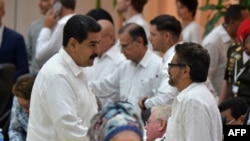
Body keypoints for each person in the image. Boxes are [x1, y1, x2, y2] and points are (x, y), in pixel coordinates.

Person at [26, 14, 101, 141]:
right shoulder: (57, 75)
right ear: (73, 45)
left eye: (98, 44)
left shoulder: (78, 66)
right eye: (92, 44)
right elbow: (70, 131)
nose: (98, 51)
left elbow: (90, 117)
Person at [89, 23, 163, 112]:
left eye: (125, 46)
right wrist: (81, 86)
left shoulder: (158, 66)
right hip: (125, 122)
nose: (121, 51)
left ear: (139, 42)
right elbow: (104, 86)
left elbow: (162, 102)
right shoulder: (125, 67)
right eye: (121, 46)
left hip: (145, 123)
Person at [165, 42, 222, 141]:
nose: (168, 69)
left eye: (172, 65)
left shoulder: (193, 102)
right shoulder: (192, 96)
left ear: (185, 71)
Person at [202, 4, 249, 99]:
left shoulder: (239, 39)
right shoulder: (213, 42)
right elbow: (205, 77)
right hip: (216, 100)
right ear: (232, 23)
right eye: (244, 21)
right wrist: (216, 101)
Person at [138, 14, 180, 111]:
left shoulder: (174, 61)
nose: (149, 38)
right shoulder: (178, 53)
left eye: (153, 34)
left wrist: (145, 103)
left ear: (166, 37)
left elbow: (166, 98)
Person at [85, 8, 126, 107]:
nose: (95, 45)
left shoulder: (121, 60)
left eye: (98, 41)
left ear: (111, 38)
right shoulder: (94, 58)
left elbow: (111, 90)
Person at [35, 0, 75, 70]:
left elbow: (40, 56)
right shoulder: (75, 21)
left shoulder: (63, 24)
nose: (39, 4)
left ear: (58, 5)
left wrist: (46, 28)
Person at [219, 17, 250, 105]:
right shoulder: (233, 50)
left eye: (246, 45)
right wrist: (219, 107)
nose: (243, 48)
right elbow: (226, 80)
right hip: (230, 106)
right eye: (241, 44)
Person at [0, 0, 29, 82]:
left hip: (7, 91)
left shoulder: (16, 39)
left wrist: (4, 77)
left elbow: (23, 69)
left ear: (3, 12)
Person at [26, 0, 53, 74]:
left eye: (44, 1)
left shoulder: (62, 28)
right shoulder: (34, 26)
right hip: (35, 76)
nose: (39, 4)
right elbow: (28, 55)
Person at [8, 74, 35, 141]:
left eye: (27, 106)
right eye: (21, 106)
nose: (24, 110)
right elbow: (15, 129)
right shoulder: (18, 99)